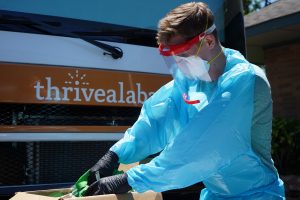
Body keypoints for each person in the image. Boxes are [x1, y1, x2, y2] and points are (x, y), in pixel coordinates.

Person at [75, 2, 285, 199]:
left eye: (184, 55)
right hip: (215, 195)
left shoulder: (245, 80)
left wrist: (131, 179)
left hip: (257, 195)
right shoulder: (192, 82)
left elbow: (202, 148)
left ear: (209, 41)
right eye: (175, 58)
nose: (181, 65)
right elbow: (155, 121)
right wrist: (114, 155)